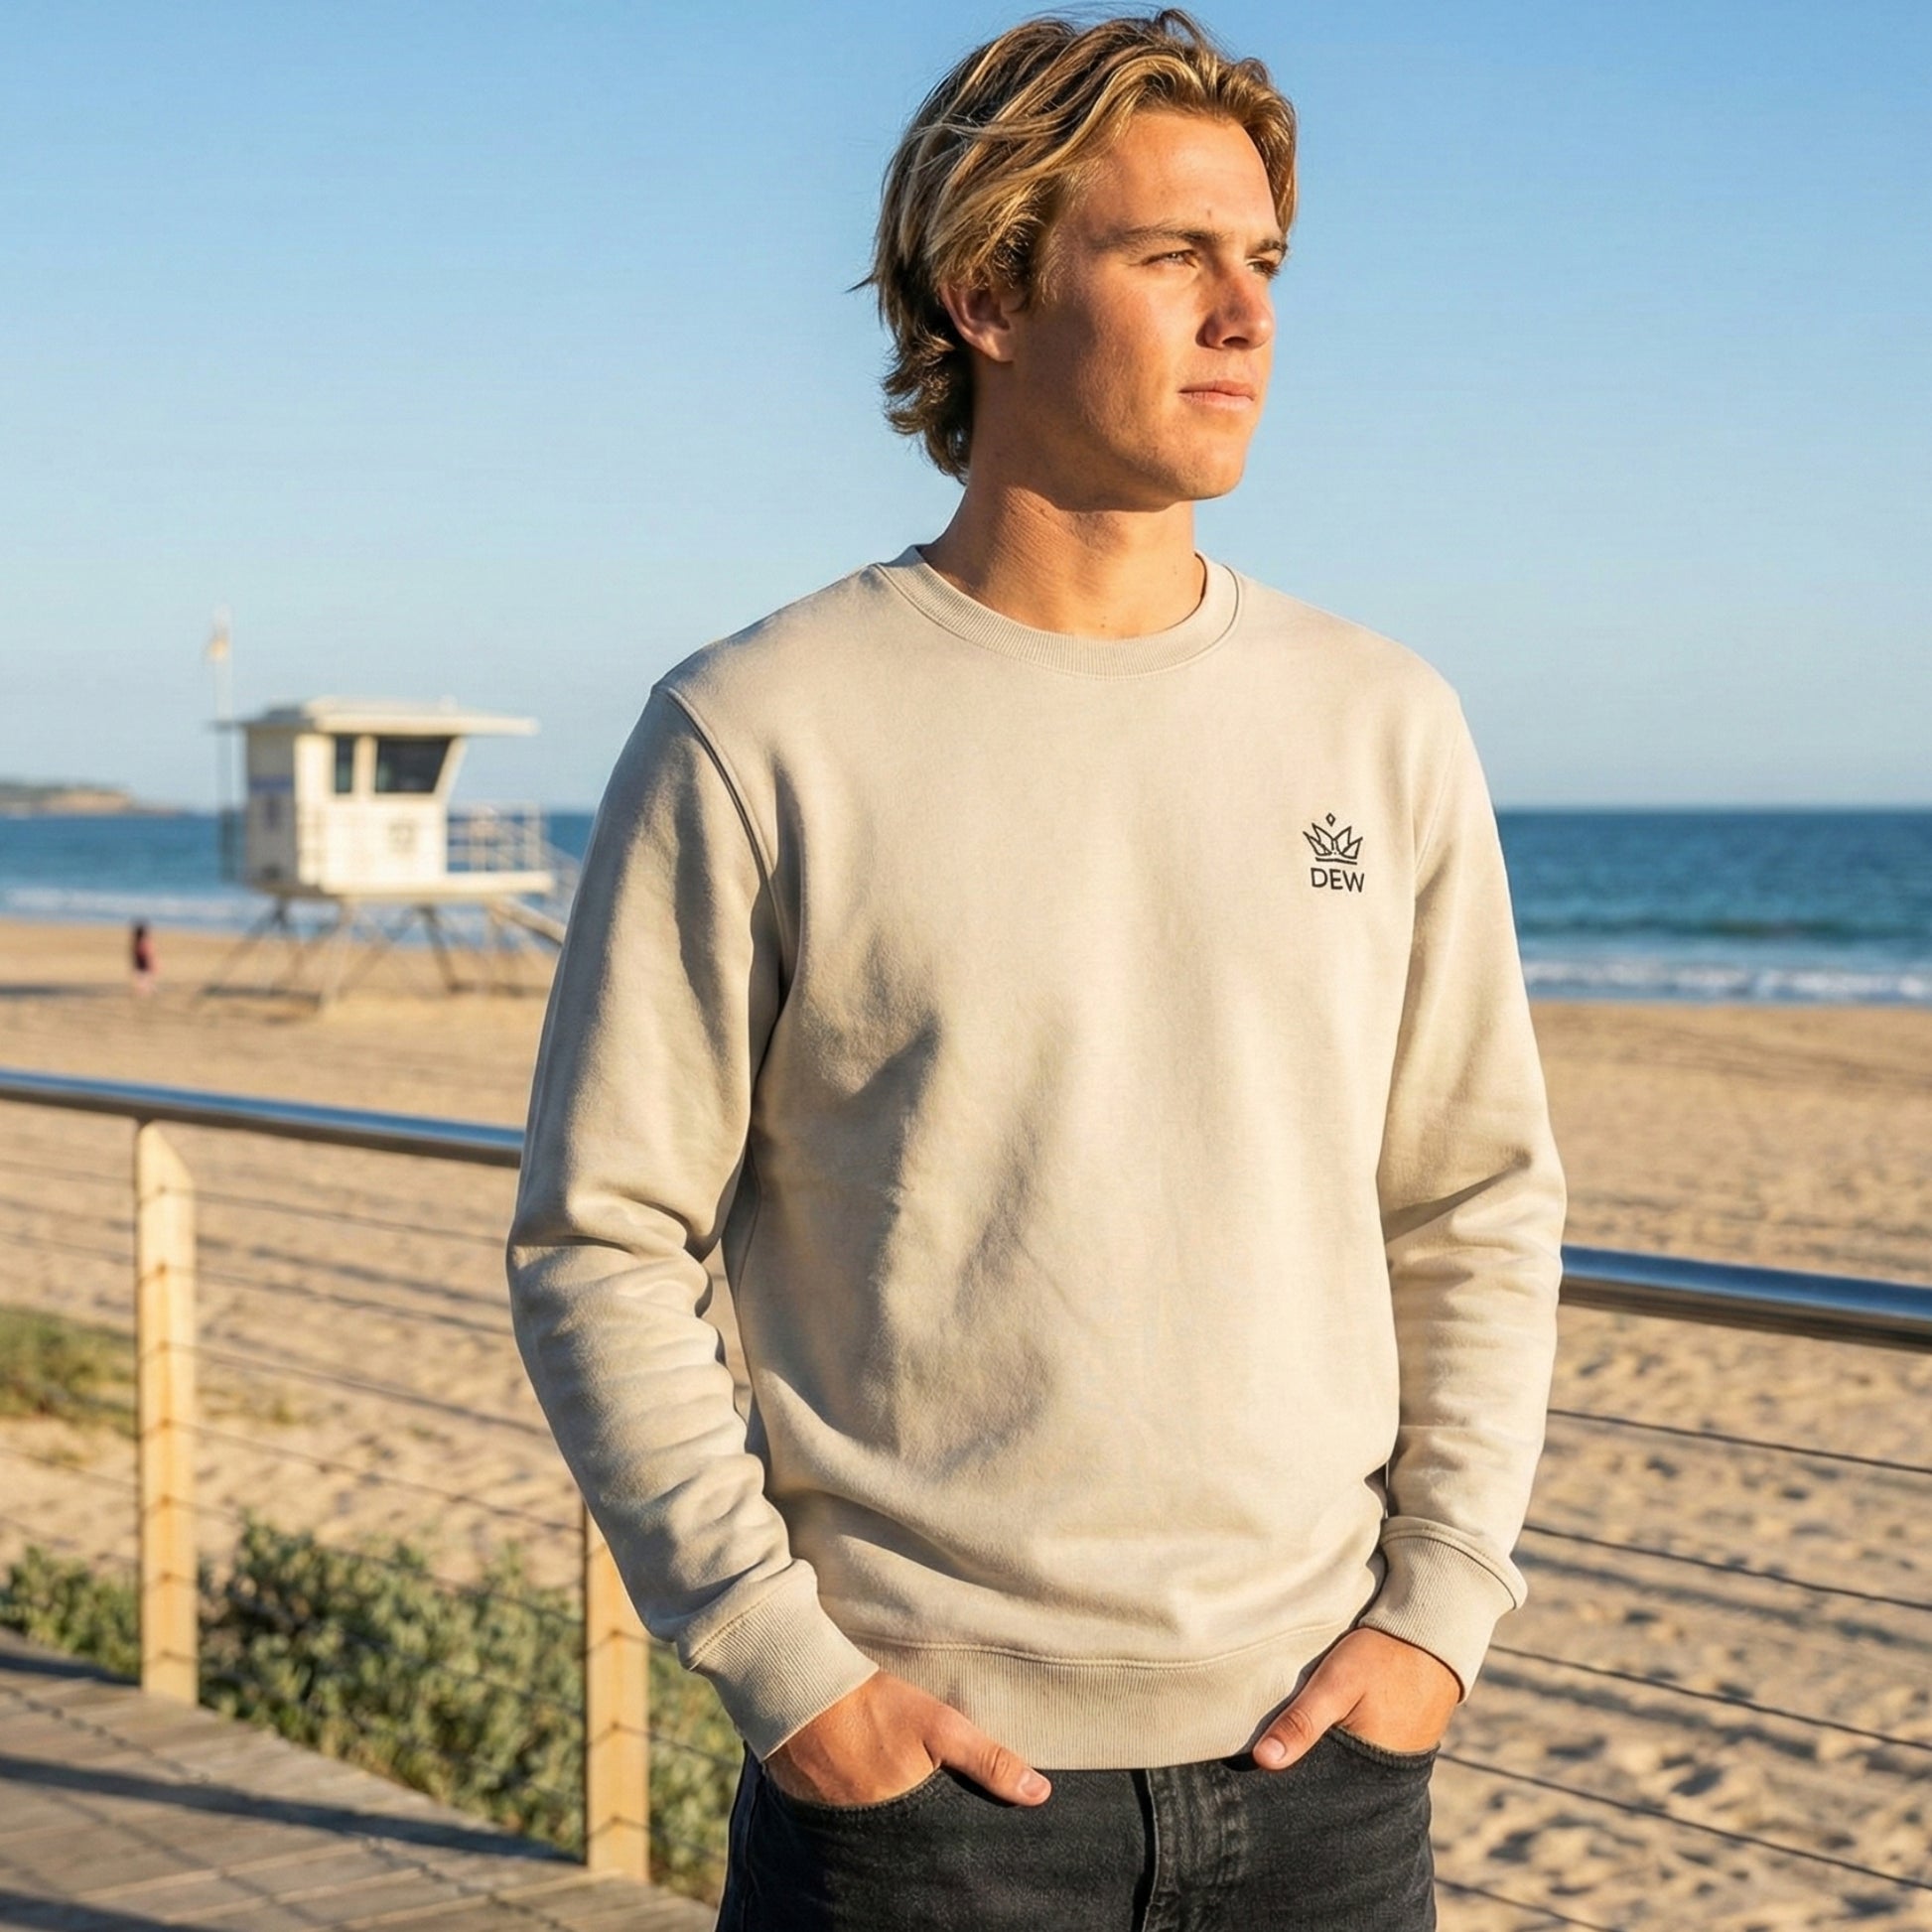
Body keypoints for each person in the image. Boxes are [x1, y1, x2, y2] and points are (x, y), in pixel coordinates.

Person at [506, 11, 1566, 1927]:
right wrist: (782, 1668)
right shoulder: (761, 730)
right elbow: (599, 1236)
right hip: (921, 1805)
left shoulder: (1380, 723)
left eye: (1263, 262)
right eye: (1173, 256)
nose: (1244, 314)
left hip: (1325, 1781)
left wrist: (1439, 1617)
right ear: (989, 291)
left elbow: (1474, 1203)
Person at [129, 920, 156, 998]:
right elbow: (149, 953)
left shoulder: (137, 942)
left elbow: (134, 954)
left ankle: (145, 990)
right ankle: (144, 990)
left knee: (142, 977)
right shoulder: (143, 942)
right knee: (145, 977)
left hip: (140, 962)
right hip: (144, 961)